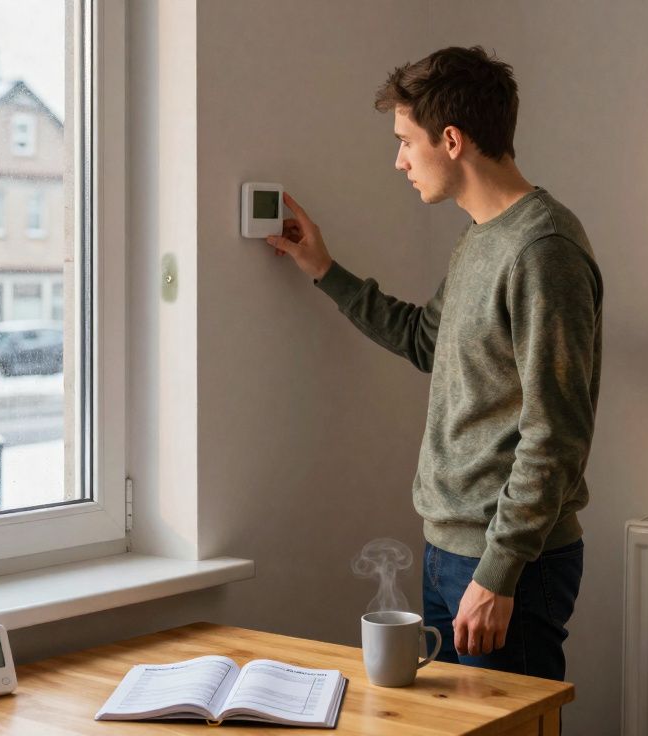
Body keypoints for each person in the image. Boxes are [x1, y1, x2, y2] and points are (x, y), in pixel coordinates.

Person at [266, 46, 602, 681]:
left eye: (405, 141)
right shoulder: (482, 236)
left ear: (451, 140)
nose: (398, 160)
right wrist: (323, 269)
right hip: (449, 547)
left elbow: (557, 432)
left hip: (509, 564)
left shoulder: (542, 249)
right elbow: (426, 339)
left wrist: (499, 571)